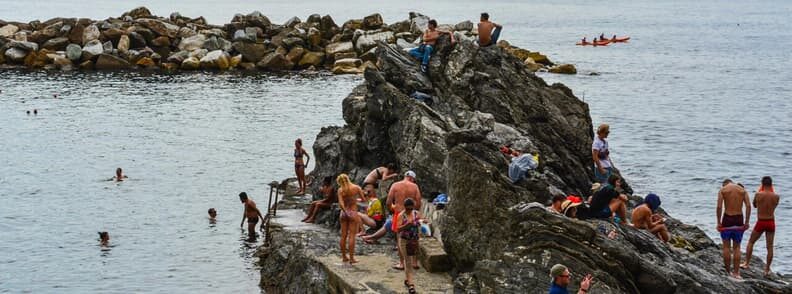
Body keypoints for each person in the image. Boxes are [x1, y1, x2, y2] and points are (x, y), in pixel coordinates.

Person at [741, 176, 780, 276]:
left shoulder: (758, 194)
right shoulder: (776, 196)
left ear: (762, 184)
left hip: (761, 222)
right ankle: (767, 270)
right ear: (771, 184)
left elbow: (755, 205)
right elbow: (774, 206)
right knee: (770, 246)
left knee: (751, 242)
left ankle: (746, 263)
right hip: (771, 222)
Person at [385, 170, 422, 270]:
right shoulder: (415, 187)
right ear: (412, 178)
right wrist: (414, 212)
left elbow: (388, 202)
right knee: (414, 239)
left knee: (400, 240)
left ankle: (402, 263)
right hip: (411, 214)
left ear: (405, 176)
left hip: (399, 214)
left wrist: (392, 210)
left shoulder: (395, 185)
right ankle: (414, 262)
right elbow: (418, 202)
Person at [716, 179, 751, 279]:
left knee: (726, 247)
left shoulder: (723, 190)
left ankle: (728, 272)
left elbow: (719, 207)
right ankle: (736, 273)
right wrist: (747, 222)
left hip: (727, 219)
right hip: (739, 219)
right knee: (737, 247)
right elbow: (748, 206)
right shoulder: (742, 190)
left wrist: (719, 222)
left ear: (724, 184)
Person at [337, 174, 364, 264]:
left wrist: (345, 211)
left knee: (343, 235)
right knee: (352, 236)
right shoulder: (356, 188)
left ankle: (344, 257)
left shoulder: (340, 190)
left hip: (344, 213)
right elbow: (363, 199)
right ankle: (352, 258)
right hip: (353, 212)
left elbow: (341, 204)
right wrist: (356, 200)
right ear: (348, 179)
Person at [397, 198, 421, 293]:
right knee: (408, 261)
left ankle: (407, 280)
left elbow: (420, 222)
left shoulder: (416, 213)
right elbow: (398, 229)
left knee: (412, 259)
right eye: (408, 209)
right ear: (405, 207)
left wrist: (422, 223)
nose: (410, 210)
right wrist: (407, 224)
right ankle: (411, 284)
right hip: (404, 240)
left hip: (414, 240)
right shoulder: (401, 215)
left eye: (411, 208)